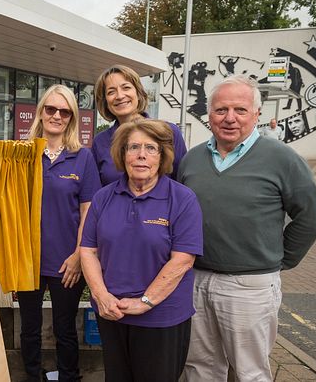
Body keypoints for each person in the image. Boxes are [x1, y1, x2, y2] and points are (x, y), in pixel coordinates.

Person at [179, 75, 316, 381]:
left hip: (249, 286)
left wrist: (279, 260)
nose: (230, 118)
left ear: (256, 114)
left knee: (251, 372)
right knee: (199, 368)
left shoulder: (282, 158)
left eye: (240, 110)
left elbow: (309, 220)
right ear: (209, 114)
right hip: (195, 279)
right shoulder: (192, 160)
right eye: (221, 110)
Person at [80, 119, 203, 382]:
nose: (141, 155)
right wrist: (101, 296)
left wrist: (145, 302)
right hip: (112, 314)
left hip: (161, 318)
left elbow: (182, 260)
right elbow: (88, 250)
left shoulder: (182, 199)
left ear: (163, 156)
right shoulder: (104, 197)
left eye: (151, 148)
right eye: (133, 147)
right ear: (122, 154)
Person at [18, 84, 100, 381]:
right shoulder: (23, 155)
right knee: (29, 326)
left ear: (72, 118)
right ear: (40, 112)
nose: (56, 116)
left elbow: (88, 212)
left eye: (64, 111)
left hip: (67, 260)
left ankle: (69, 377)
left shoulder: (83, 157)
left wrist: (79, 255)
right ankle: (32, 375)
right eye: (50, 109)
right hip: (28, 258)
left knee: (65, 327)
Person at [92, 65, 187, 186]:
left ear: (138, 92)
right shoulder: (100, 142)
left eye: (126, 88)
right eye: (111, 92)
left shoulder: (169, 132)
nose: (120, 96)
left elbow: (182, 183)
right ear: (105, 101)